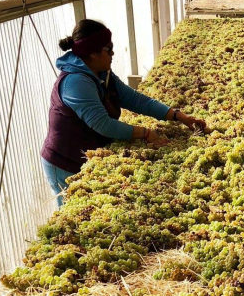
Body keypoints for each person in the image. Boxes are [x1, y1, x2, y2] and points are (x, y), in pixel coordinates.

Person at [41, 19, 206, 207]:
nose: (113, 53)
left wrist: (178, 116)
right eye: (108, 49)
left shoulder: (102, 74)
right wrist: (145, 133)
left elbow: (136, 100)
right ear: (93, 53)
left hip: (88, 154)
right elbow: (103, 124)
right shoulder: (76, 82)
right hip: (65, 162)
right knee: (73, 209)